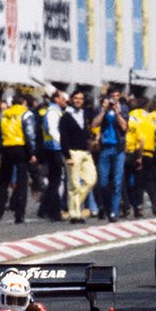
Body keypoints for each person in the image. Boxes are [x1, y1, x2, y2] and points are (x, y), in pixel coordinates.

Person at [0, 93, 38, 223]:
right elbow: (30, 134)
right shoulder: (26, 113)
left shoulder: (3, 113)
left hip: (6, 147)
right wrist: (32, 152)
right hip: (21, 148)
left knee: (2, 181)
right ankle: (19, 214)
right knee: (22, 182)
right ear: (23, 102)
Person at [91, 88, 128, 222]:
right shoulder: (101, 108)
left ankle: (114, 211)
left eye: (117, 96)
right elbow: (94, 124)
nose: (115, 99)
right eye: (112, 97)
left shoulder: (123, 109)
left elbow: (124, 127)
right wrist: (103, 110)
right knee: (103, 183)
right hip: (105, 147)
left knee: (117, 182)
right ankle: (106, 207)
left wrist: (117, 114)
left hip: (118, 148)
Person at [59, 91, 96, 223]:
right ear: (71, 99)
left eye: (81, 99)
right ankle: (75, 214)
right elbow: (63, 137)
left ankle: (73, 206)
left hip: (85, 152)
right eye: (76, 98)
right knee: (74, 184)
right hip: (72, 152)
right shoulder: (66, 116)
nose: (78, 101)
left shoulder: (85, 114)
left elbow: (90, 128)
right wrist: (67, 155)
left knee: (91, 179)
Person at [39, 90, 66, 221]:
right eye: (62, 98)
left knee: (54, 181)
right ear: (56, 99)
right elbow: (53, 129)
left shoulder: (55, 111)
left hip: (52, 147)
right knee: (54, 181)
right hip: (54, 148)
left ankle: (52, 210)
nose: (65, 100)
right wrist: (62, 143)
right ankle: (47, 209)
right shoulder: (53, 112)